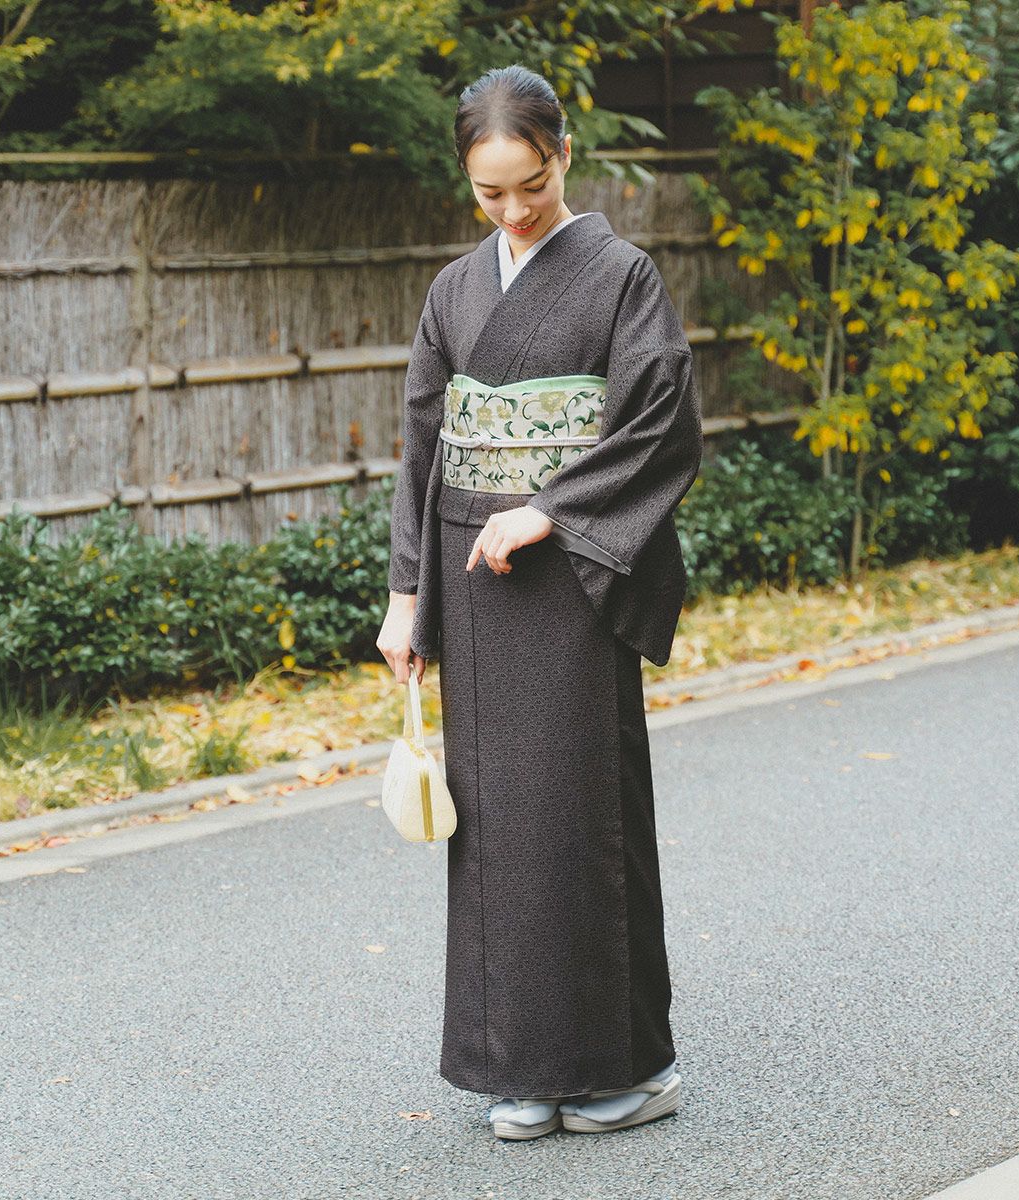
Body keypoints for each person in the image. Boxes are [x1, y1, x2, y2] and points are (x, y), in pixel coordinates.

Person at [376, 63, 704, 1140]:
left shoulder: (621, 277)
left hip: (574, 583)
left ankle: (623, 1065)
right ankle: (515, 1064)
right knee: (494, 830)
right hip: (474, 585)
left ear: (566, 154)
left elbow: (660, 422)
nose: (514, 210)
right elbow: (424, 444)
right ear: (466, 181)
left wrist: (551, 510)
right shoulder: (454, 292)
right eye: (490, 193)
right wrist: (406, 594)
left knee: (580, 815)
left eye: (532, 184)